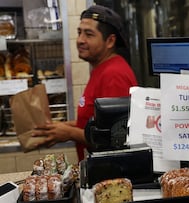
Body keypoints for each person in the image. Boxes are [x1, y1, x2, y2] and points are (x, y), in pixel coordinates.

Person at [32, 5, 138, 161]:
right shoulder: (101, 68)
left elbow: (114, 138)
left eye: (89, 34)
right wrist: (62, 127)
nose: (80, 40)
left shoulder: (114, 74)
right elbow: (97, 123)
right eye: (79, 32)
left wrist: (69, 133)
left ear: (110, 41)